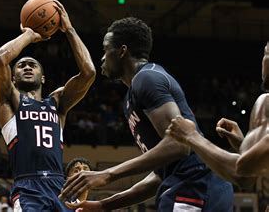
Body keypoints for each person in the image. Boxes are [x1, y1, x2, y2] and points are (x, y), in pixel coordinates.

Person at [60, 17, 233, 211]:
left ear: (122, 51)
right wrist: (103, 205)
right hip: (185, 182)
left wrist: (107, 174)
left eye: (105, 49)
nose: (102, 57)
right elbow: (159, 175)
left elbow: (180, 144)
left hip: (196, 181)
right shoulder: (131, 96)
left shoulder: (147, 78)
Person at [0, 0, 96, 211]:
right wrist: (29, 35)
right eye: (21, 65)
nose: (27, 67)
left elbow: (89, 73)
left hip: (60, 186)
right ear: (13, 78)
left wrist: (70, 30)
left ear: (44, 78)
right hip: (29, 186)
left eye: (33, 65)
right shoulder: (9, 100)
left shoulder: (57, 103)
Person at [166, 42, 269, 184]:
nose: (263, 60)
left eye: (266, 53)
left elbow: (242, 174)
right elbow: (256, 165)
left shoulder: (265, 102)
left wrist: (191, 136)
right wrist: (242, 143)